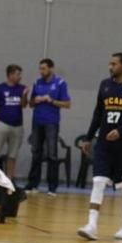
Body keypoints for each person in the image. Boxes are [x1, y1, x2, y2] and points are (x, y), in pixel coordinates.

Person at [77, 52, 122, 241]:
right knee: (98, 181)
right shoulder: (105, 85)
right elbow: (98, 113)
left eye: (114, 64)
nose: (110, 67)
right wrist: (88, 137)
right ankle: (92, 225)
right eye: (109, 63)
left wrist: (120, 131)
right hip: (104, 144)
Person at [25, 58, 71, 195]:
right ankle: (33, 184)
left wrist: (52, 101)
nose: (41, 71)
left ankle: (52, 187)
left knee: (52, 154)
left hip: (51, 122)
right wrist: (35, 100)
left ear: (51, 68)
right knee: (36, 153)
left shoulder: (60, 83)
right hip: (37, 121)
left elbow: (67, 104)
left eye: (44, 69)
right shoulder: (37, 83)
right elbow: (30, 104)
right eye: (40, 69)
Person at [0, 64, 28, 180]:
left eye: (20, 74)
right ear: (10, 75)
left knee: (12, 154)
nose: (20, 77)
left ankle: (9, 178)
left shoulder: (22, 88)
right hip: (2, 123)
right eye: (17, 74)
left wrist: (25, 95)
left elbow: (24, 105)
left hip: (17, 126)